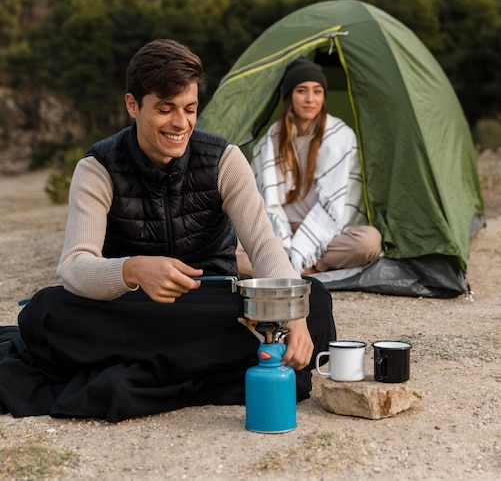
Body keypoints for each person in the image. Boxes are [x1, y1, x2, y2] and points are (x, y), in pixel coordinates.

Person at [0, 40, 335, 423]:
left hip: (210, 303)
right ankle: (214, 370)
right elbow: (75, 266)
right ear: (132, 105)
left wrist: (292, 315)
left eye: (189, 109)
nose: (181, 123)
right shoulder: (97, 168)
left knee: (315, 303)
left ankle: (151, 371)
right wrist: (133, 270)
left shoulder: (224, 159)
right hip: (134, 310)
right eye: (165, 109)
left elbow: (263, 247)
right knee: (46, 313)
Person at [244, 56, 382, 277]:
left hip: (325, 234)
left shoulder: (341, 136)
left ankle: (296, 268)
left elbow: (343, 202)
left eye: (317, 91)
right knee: (233, 250)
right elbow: (258, 201)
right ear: (289, 96)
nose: (310, 99)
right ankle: (296, 266)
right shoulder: (270, 141)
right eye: (302, 91)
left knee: (369, 242)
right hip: (280, 230)